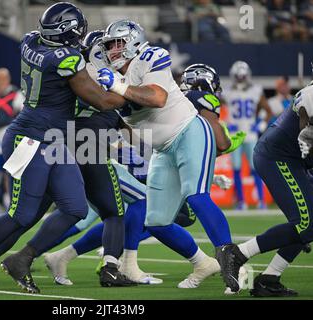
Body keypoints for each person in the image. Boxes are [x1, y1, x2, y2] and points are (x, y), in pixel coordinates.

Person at [0, 2, 128, 295]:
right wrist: (130, 91)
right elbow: (102, 101)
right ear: (67, 33)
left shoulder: (31, 40)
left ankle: (21, 258)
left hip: (55, 142)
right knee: (21, 214)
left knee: (74, 207)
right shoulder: (66, 60)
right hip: (30, 140)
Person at [95, 19, 241, 292]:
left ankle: (230, 256)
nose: (113, 50)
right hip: (162, 150)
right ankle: (202, 262)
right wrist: (117, 147)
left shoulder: (151, 56)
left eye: (118, 43)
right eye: (109, 45)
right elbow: (125, 120)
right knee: (157, 222)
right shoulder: (114, 78)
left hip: (189, 133)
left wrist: (118, 87)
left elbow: (157, 97)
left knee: (195, 196)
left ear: (134, 41)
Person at [221, 77, 313, 297]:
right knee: (306, 222)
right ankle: (237, 253)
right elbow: (305, 134)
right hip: (278, 157)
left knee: (309, 224)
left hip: (294, 159)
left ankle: (269, 279)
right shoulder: (310, 95)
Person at [222, 61, 272, 210]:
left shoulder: (255, 91)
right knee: (236, 169)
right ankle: (241, 201)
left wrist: (260, 125)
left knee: (255, 168)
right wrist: (225, 123)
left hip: (250, 134)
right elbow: (214, 108)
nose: (240, 79)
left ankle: (261, 201)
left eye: (242, 76)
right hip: (234, 135)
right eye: (238, 76)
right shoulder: (226, 92)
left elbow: (267, 110)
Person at [0, 68, 24, 213]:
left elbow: (21, 113)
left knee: (11, 172)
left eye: (4, 78)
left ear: (8, 79)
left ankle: (11, 202)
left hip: (8, 135)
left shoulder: (16, 94)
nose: (1, 82)